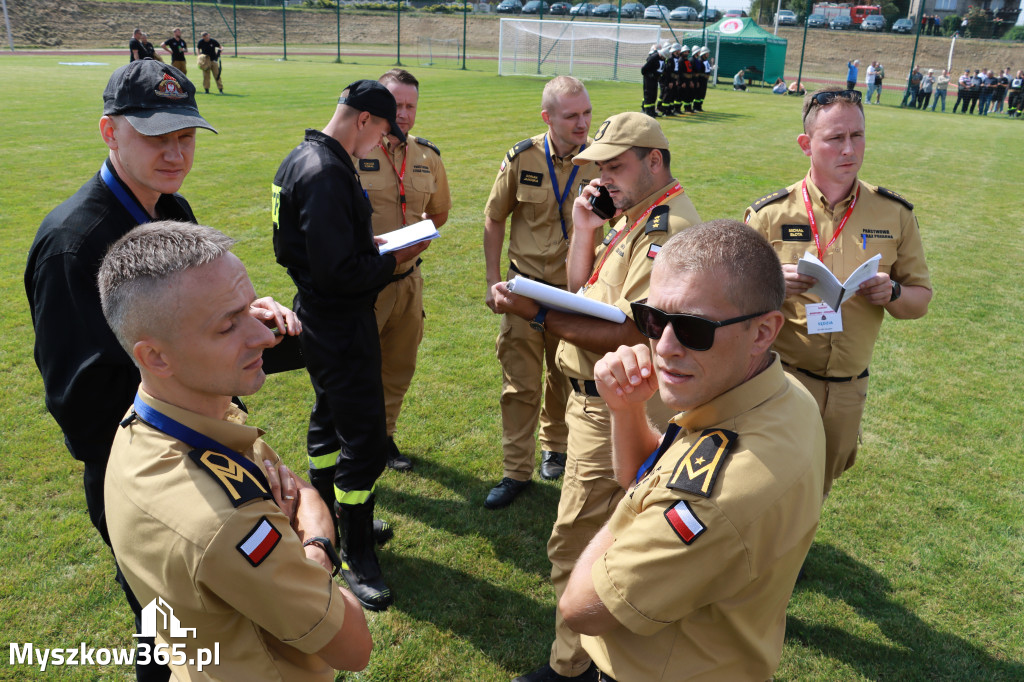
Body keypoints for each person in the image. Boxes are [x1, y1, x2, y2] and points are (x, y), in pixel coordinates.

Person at [24, 59, 299, 682]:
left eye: (185, 135)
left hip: (204, 444)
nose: (175, 152)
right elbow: (82, 406)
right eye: (154, 136)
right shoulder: (75, 243)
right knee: (176, 642)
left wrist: (241, 318)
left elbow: (186, 325)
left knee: (227, 628)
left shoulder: (169, 204)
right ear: (108, 132)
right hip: (144, 470)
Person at [99, 221, 372, 681]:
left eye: (252, 309)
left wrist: (288, 517)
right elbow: (354, 646)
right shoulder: (226, 522)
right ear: (156, 357)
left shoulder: (154, 424)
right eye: (228, 326)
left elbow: (289, 485)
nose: (266, 337)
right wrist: (317, 547)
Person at [558, 220, 825, 682]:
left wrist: (630, 510)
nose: (663, 347)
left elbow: (582, 606)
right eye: (652, 319)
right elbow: (647, 475)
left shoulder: (710, 498)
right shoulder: (779, 396)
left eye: (693, 329)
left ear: (763, 332)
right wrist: (627, 411)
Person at [492, 111, 701, 682]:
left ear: (653, 161)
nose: (602, 177)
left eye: (614, 165)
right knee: (614, 535)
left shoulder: (666, 230)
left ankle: (572, 669)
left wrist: (534, 312)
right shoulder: (635, 217)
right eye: (598, 166)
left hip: (609, 404)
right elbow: (585, 293)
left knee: (576, 544)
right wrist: (584, 229)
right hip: (601, 398)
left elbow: (627, 331)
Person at [272, 79, 430, 612]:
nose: (381, 144)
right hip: (340, 322)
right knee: (363, 439)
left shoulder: (301, 157)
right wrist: (393, 258)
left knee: (326, 418)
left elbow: (313, 250)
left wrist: (370, 244)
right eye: (382, 132)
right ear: (363, 120)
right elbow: (341, 273)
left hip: (316, 315)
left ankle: (327, 521)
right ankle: (356, 550)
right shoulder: (326, 171)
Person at [744, 88, 932, 499]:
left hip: (848, 387)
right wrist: (772, 284)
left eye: (858, 136)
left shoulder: (893, 213)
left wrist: (893, 291)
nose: (850, 149)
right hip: (781, 377)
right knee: (766, 484)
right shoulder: (770, 215)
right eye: (835, 138)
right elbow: (731, 301)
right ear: (806, 144)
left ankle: (795, 559)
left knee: (819, 486)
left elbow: (920, 298)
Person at [483, 76, 594, 509]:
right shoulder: (523, 157)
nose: (583, 123)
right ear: (548, 118)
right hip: (523, 290)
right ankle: (515, 471)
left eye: (587, 112)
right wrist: (493, 279)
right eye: (572, 116)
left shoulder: (601, 161)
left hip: (575, 294)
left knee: (565, 376)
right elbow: (494, 218)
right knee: (520, 384)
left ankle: (557, 446)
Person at [359, 68, 452, 472]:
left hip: (408, 281)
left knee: (399, 367)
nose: (405, 113)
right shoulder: (352, 152)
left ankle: (384, 440)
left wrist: (414, 239)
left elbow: (440, 212)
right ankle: (353, 443)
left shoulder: (427, 156)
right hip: (363, 284)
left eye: (411, 105)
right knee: (356, 369)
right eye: (396, 105)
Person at [640, 44, 663, 118]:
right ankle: (646, 111)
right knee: (648, 95)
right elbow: (644, 69)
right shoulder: (653, 57)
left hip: (654, 79)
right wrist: (649, 75)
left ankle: (651, 111)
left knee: (653, 95)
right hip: (649, 79)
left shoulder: (658, 58)